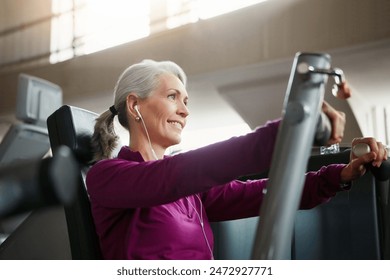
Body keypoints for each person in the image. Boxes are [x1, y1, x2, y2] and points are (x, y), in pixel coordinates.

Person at [86, 59, 387, 260]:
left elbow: (264, 194)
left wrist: (337, 175)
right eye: (172, 97)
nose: (184, 110)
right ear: (134, 105)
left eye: (186, 101)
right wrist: (287, 131)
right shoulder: (108, 177)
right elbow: (175, 174)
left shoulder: (190, 193)